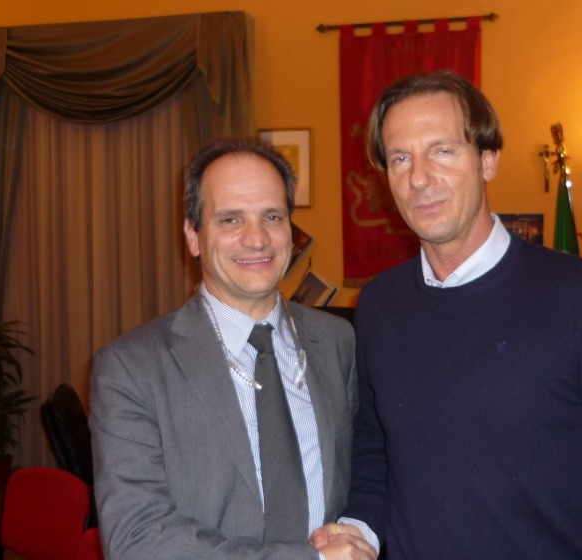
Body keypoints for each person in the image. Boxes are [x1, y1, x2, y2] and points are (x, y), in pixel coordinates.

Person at [312, 71, 582, 559]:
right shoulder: (378, 306)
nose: (419, 178)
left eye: (442, 151)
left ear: (488, 159)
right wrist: (358, 531)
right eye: (400, 158)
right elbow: (377, 449)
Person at [90, 137, 376, 560]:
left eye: (272, 217)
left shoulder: (337, 342)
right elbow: (138, 539)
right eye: (230, 220)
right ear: (193, 235)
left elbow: (367, 464)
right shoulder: (131, 368)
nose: (257, 239)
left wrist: (358, 531)